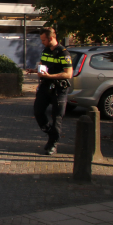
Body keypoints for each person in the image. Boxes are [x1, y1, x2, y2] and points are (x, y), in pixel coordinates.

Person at [26, 27, 72, 155]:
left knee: (57, 117)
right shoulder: (45, 51)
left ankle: (53, 144)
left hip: (59, 88)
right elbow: (43, 66)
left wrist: (49, 76)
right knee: (38, 111)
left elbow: (68, 74)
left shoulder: (63, 53)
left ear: (51, 38)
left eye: (44, 40)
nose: (42, 42)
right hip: (45, 86)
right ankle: (51, 133)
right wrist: (36, 71)